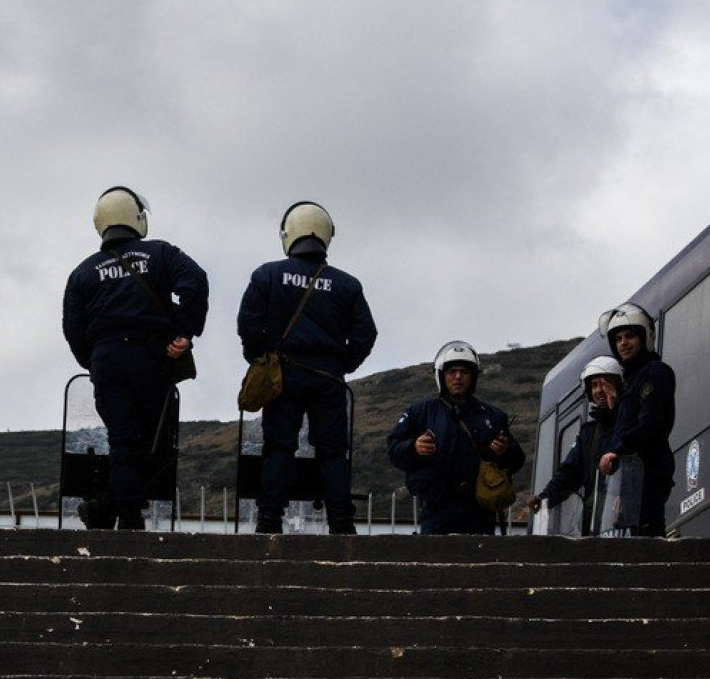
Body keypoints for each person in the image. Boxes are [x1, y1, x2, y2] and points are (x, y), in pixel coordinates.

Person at [62, 186, 209, 530]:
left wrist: (94, 361)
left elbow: (72, 328)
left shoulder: (83, 271)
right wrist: (184, 334)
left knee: (123, 439)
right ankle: (121, 509)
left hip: (108, 360)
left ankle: (120, 511)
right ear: (137, 218)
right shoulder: (160, 253)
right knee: (154, 440)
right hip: (151, 357)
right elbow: (195, 282)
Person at [236, 202, 377, 535]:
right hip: (328, 378)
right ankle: (341, 522)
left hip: (282, 374)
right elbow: (365, 334)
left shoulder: (266, 274)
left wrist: (260, 359)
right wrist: (342, 364)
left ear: (289, 234)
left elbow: (248, 324)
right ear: (326, 235)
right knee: (331, 452)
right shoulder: (348, 285)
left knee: (279, 447)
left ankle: (269, 519)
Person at [386, 341, 524, 535]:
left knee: (482, 563)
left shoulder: (493, 416)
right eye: (452, 372)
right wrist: (414, 448)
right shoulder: (420, 412)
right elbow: (393, 449)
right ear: (441, 376)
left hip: (480, 510)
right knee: (434, 561)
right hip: (437, 508)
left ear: (473, 377)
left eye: (464, 372)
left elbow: (517, 459)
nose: (458, 377)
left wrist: (505, 451)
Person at [597, 302, 675, 537]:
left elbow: (651, 424)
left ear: (644, 337)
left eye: (629, 336)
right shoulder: (629, 383)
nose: (623, 343)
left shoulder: (655, 371)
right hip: (629, 476)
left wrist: (618, 450)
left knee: (647, 533)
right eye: (618, 338)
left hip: (648, 470)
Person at [527, 356, 623, 534]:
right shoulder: (588, 433)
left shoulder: (630, 423)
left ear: (618, 386)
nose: (599, 391)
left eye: (604, 384)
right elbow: (568, 473)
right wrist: (544, 497)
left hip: (625, 520)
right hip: (594, 524)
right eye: (594, 385)